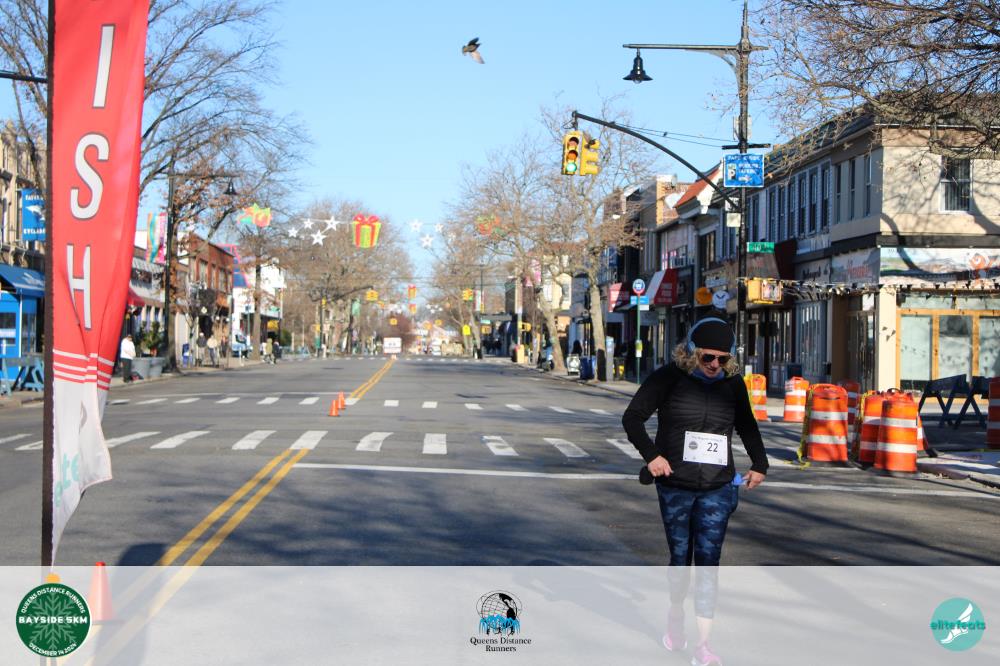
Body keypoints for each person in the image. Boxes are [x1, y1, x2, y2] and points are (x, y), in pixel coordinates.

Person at [621, 317, 767, 666]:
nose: (715, 365)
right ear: (691, 352)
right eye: (707, 357)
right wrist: (652, 457)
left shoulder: (732, 385)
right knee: (680, 559)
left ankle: (703, 645)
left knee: (708, 563)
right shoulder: (668, 378)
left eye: (722, 359)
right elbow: (632, 418)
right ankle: (676, 613)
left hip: (717, 487)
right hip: (676, 486)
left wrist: (760, 464)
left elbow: (747, 426)